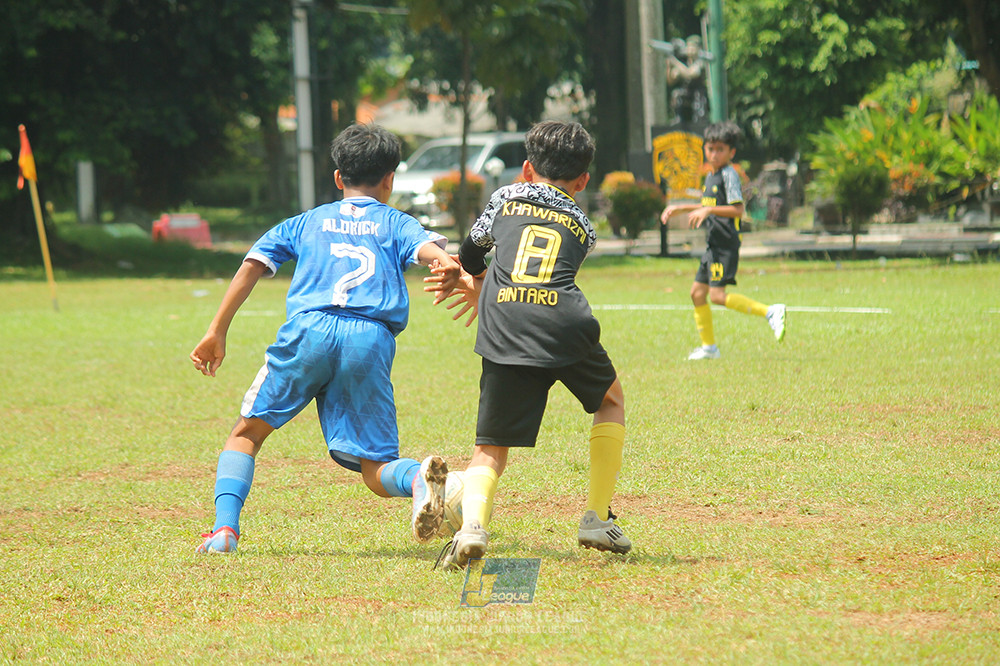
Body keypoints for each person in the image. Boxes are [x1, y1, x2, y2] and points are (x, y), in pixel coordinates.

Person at [190, 123, 460, 554]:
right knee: (376, 468)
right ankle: (416, 480)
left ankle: (224, 531)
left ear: (338, 178)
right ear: (390, 180)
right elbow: (429, 251)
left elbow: (254, 263)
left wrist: (216, 330)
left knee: (246, 435)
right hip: (369, 340)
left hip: (308, 332)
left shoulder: (307, 221)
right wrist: (446, 263)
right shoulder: (396, 222)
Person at [428, 121, 631, 570]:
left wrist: (478, 284)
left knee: (490, 446)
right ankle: (597, 517)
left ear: (525, 169)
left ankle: (473, 528)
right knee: (610, 400)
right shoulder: (584, 225)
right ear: (583, 181)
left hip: (505, 323)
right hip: (565, 321)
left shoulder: (504, 198)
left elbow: (471, 251)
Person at [660, 121, 786, 360]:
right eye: (710, 148)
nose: (714, 154)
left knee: (717, 296)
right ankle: (709, 348)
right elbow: (707, 205)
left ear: (731, 152)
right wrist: (680, 208)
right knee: (697, 293)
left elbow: (737, 210)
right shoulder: (711, 176)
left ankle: (770, 311)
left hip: (725, 244)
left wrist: (708, 212)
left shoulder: (729, 176)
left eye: (720, 149)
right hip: (713, 245)